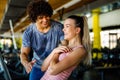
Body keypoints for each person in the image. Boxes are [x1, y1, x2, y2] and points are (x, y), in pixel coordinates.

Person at [20, 0, 64, 80]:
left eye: (47, 16)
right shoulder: (29, 32)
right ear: (34, 18)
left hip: (54, 65)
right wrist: (26, 63)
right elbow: (24, 53)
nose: (45, 20)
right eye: (41, 17)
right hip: (37, 67)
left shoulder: (58, 27)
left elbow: (66, 44)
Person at [40, 15, 92, 80]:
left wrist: (56, 54)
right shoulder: (63, 47)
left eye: (67, 26)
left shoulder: (80, 50)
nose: (63, 29)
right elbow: (43, 68)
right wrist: (54, 51)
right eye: (64, 26)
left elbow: (53, 71)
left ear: (77, 30)